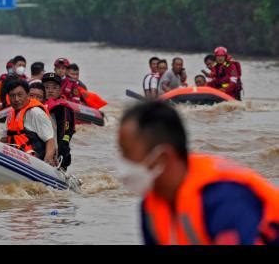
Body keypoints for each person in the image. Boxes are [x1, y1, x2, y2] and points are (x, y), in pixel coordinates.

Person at [117, 101, 279, 245]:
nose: (123, 164)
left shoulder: (224, 197)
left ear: (163, 157)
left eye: (127, 153)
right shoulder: (150, 207)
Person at [2, 79, 56, 166]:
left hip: (34, 161)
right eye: (12, 96)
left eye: (20, 95)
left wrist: (48, 162)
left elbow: (50, 140)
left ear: (27, 95)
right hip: (15, 159)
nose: (16, 99)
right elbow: (4, 140)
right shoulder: (10, 114)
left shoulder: (36, 113)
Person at [42, 72, 75, 170]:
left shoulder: (63, 109)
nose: (50, 91)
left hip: (56, 153)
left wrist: (60, 155)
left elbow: (65, 135)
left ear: (60, 90)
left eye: (54, 88)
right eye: (47, 87)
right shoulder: (37, 106)